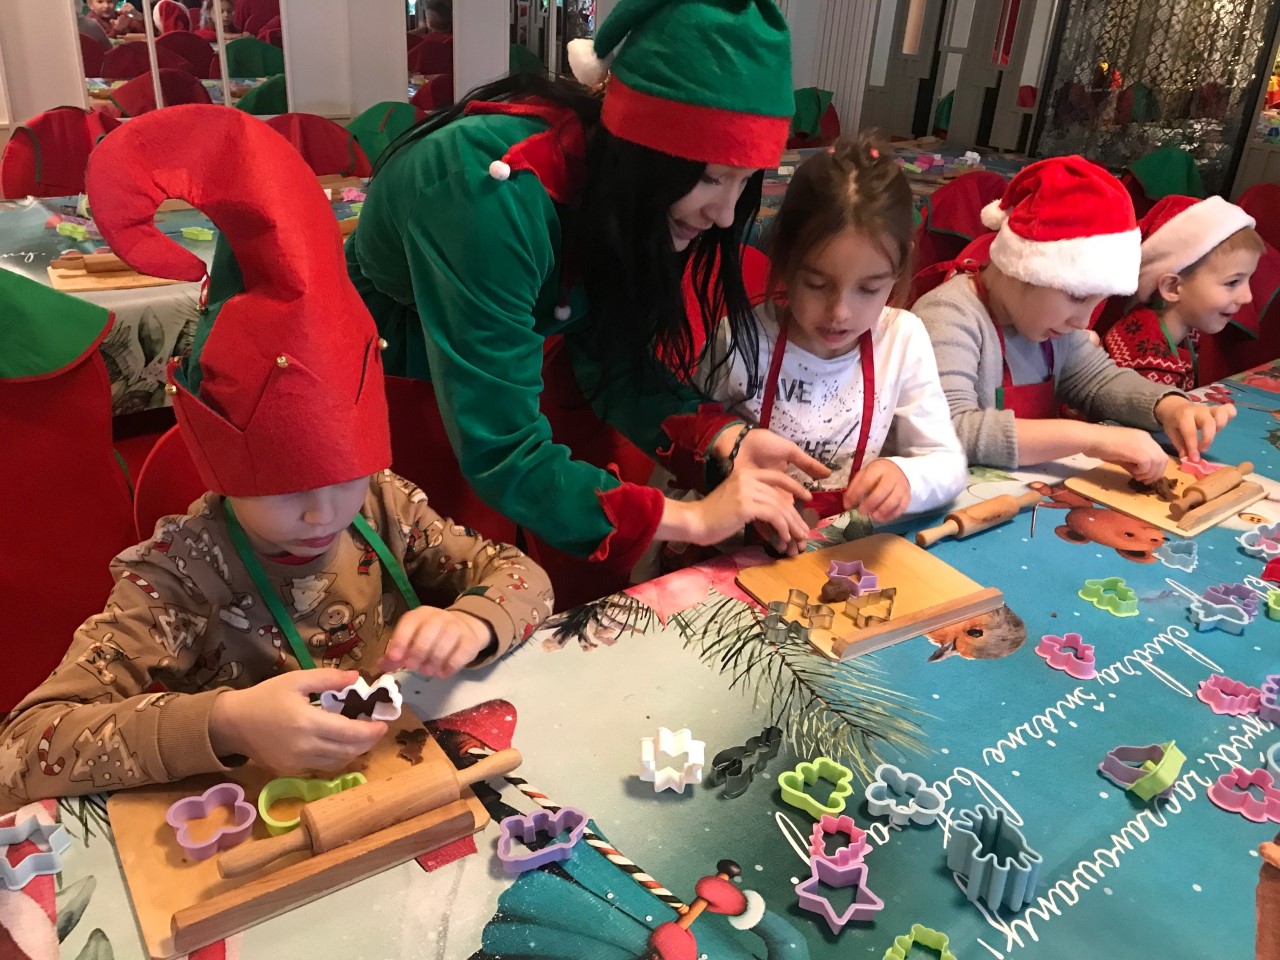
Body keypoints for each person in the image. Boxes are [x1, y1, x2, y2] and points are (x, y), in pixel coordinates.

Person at [0, 106, 551, 811]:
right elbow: (24, 748)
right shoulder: (183, 573)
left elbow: (522, 575)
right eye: (286, 489)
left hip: (400, 787)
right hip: (262, 815)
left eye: (344, 478)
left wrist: (474, 618)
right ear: (221, 470)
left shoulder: (385, 506)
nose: (324, 514)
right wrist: (227, 722)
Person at [344, 0, 827, 599]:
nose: (727, 215)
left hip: (507, 385)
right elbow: (503, 451)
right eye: (710, 178)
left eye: (745, 181)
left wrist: (727, 440)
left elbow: (615, 363)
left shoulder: (622, 188)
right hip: (391, 386)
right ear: (645, 155)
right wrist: (696, 518)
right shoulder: (488, 193)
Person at [696, 136, 966, 525]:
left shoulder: (902, 340)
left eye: (869, 289)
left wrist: (907, 476)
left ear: (898, 268)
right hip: (739, 539)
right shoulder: (740, 340)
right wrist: (723, 478)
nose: (840, 312)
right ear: (785, 259)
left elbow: (948, 463)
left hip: (840, 546)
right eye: (817, 284)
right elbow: (688, 450)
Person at [915, 156, 1234, 481]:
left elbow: (1099, 381)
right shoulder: (949, 316)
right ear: (1023, 268)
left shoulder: (1050, 328)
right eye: (1078, 298)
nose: (1082, 322)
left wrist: (1169, 407)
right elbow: (951, 429)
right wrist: (1090, 439)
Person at [1104, 195, 1263, 391]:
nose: (1247, 297)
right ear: (1172, 287)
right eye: (1232, 282)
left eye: (1249, 280)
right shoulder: (1148, 362)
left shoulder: (1185, 332)